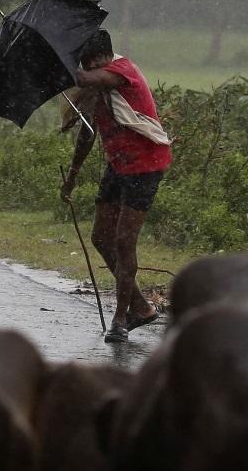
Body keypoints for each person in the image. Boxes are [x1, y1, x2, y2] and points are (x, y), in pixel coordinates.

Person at [60, 30, 172, 343]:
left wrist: (57, 68)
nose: (93, 67)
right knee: (100, 237)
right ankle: (141, 307)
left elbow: (84, 79)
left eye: (95, 62)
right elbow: (87, 133)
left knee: (124, 242)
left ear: (103, 58)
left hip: (146, 165)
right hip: (118, 164)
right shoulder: (96, 86)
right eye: (87, 63)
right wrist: (72, 176)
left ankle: (121, 318)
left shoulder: (121, 72)